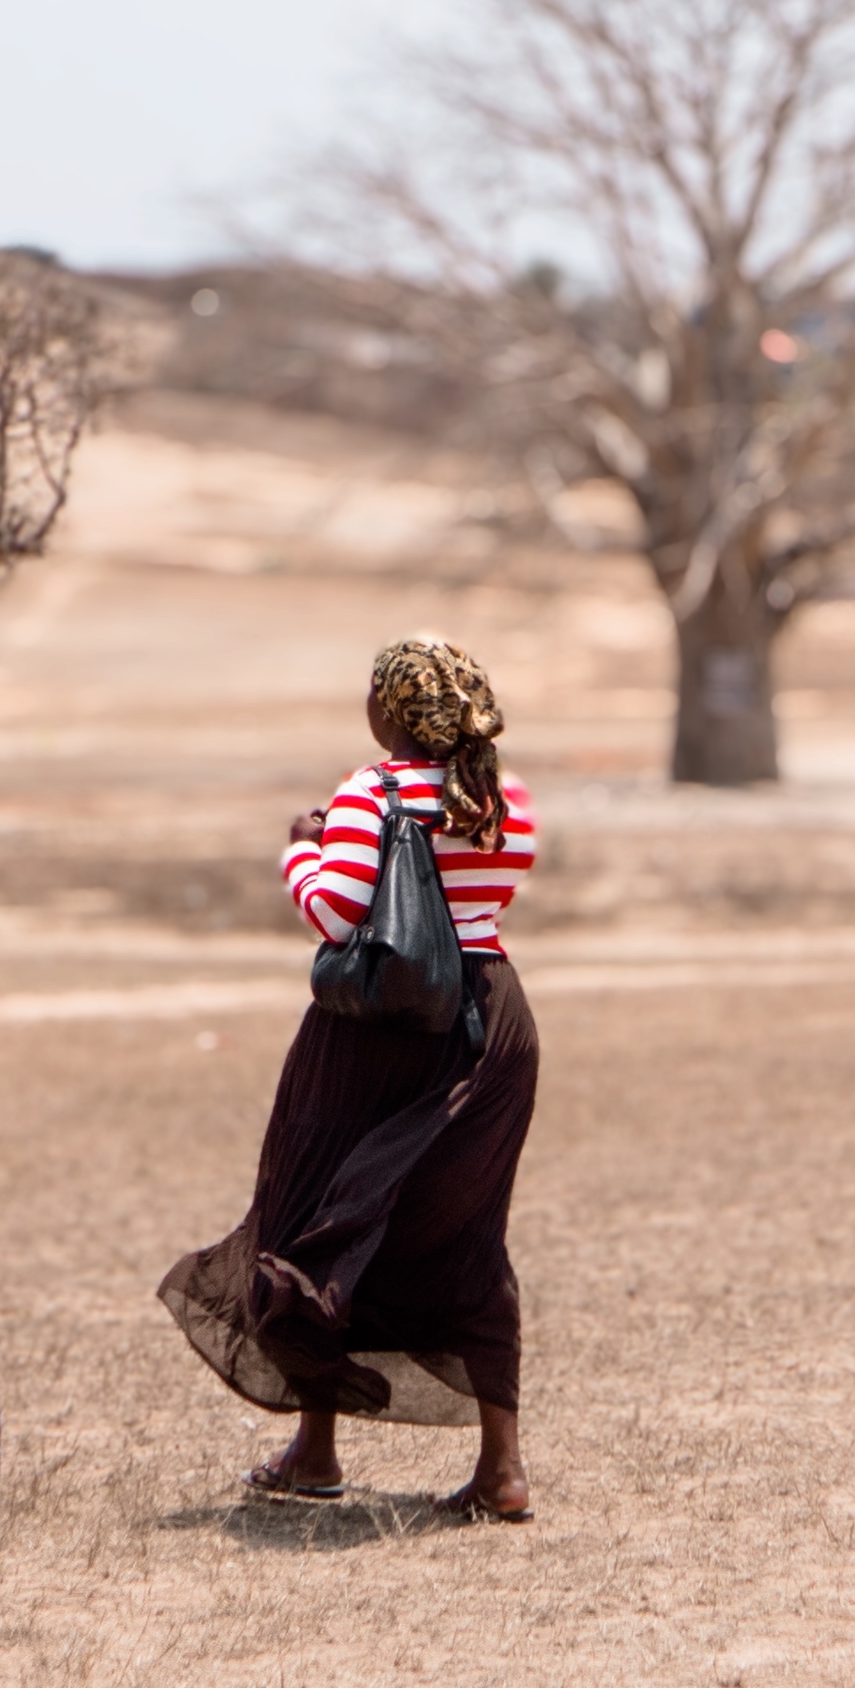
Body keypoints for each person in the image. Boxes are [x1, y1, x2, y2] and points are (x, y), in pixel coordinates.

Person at [160, 637, 543, 1521]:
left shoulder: (370, 790)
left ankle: (317, 1447)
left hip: (377, 1034)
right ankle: (502, 1468)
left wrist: (302, 846)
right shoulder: (502, 792)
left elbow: (333, 911)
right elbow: (488, 892)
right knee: (468, 1239)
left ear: (391, 711)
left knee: (310, 1223)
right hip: (491, 1023)